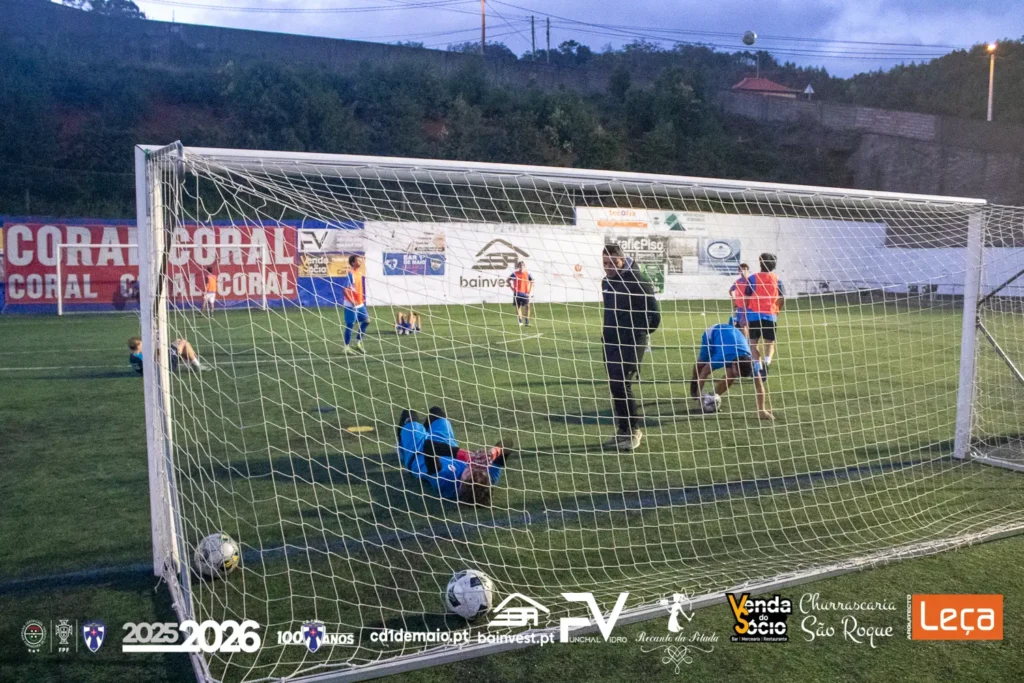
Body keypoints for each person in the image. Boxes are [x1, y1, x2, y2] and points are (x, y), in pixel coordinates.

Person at [601, 243, 662, 451]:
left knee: (622, 383)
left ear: (622, 260)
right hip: (609, 341)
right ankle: (623, 430)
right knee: (615, 386)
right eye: (605, 263)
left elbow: (654, 315)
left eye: (613, 262)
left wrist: (638, 333)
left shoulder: (637, 282)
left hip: (630, 341)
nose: (608, 267)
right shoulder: (606, 282)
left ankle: (634, 430)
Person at [396, 407, 508, 506]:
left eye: (469, 472)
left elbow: (428, 447)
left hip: (419, 453)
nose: (473, 467)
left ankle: (402, 449)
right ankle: (424, 431)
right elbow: (507, 444)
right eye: (479, 471)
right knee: (436, 412)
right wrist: (492, 454)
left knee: (409, 414)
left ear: (461, 484)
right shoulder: (487, 480)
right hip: (447, 444)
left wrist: (465, 455)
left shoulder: (444, 482)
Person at [689, 322, 771, 420]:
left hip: (731, 339)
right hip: (713, 334)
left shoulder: (751, 362)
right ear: (734, 364)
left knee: (731, 375)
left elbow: (759, 386)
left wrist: (762, 409)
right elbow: (704, 373)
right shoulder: (722, 357)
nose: (739, 377)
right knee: (701, 366)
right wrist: (699, 396)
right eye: (738, 373)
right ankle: (694, 381)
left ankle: (713, 398)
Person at [745, 253, 786, 371]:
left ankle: (758, 366)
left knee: (753, 343)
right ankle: (767, 363)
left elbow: (747, 297)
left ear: (760, 264)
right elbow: (782, 297)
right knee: (769, 342)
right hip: (770, 315)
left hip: (754, 316)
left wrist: (746, 312)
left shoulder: (752, 278)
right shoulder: (777, 279)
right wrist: (777, 309)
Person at [128, 336, 201, 375]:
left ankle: (193, 362)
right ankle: (196, 364)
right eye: (142, 343)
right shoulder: (141, 356)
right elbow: (153, 360)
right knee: (184, 343)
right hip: (166, 368)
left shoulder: (133, 356)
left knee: (178, 342)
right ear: (138, 346)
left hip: (159, 369)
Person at [342, 254, 370, 354]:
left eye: (360, 260)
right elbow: (344, 289)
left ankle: (358, 343)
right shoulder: (351, 274)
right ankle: (346, 347)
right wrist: (351, 300)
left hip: (359, 303)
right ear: (353, 263)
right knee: (350, 324)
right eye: (358, 260)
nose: (361, 261)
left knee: (367, 321)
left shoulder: (359, 272)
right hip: (351, 304)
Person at [508, 261, 534, 327]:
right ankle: (520, 321)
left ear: (524, 266)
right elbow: (508, 280)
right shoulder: (515, 274)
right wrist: (512, 288)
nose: (521, 266)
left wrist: (529, 291)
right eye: (520, 265)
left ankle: (527, 321)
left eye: (522, 265)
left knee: (528, 306)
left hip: (525, 293)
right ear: (518, 266)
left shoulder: (528, 274)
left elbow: (532, 281)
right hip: (517, 293)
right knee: (518, 307)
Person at [728, 263, 750, 338]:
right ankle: (745, 341)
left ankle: (748, 342)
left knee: (749, 325)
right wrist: (734, 299)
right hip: (740, 307)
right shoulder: (737, 282)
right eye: (741, 269)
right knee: (742, 325)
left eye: (745, 269)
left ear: (747, 270)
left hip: (749, 307)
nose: (743, 271)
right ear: (739, 271)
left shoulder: (750, 281)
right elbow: (731, 290)